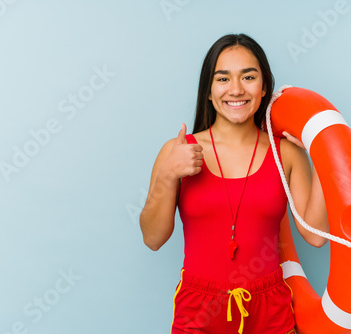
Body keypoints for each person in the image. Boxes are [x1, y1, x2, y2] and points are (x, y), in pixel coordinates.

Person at [140, 33, 329, 334]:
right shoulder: (176, 151)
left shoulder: (287, 154)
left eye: (248, 77)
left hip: (270, 310)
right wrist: (168, 174)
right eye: (223, 79)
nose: (237, 89)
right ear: (209, 90)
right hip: (198, 310)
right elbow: (153, 239)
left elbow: (316, 237)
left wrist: (320, 154)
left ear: (264, 85)